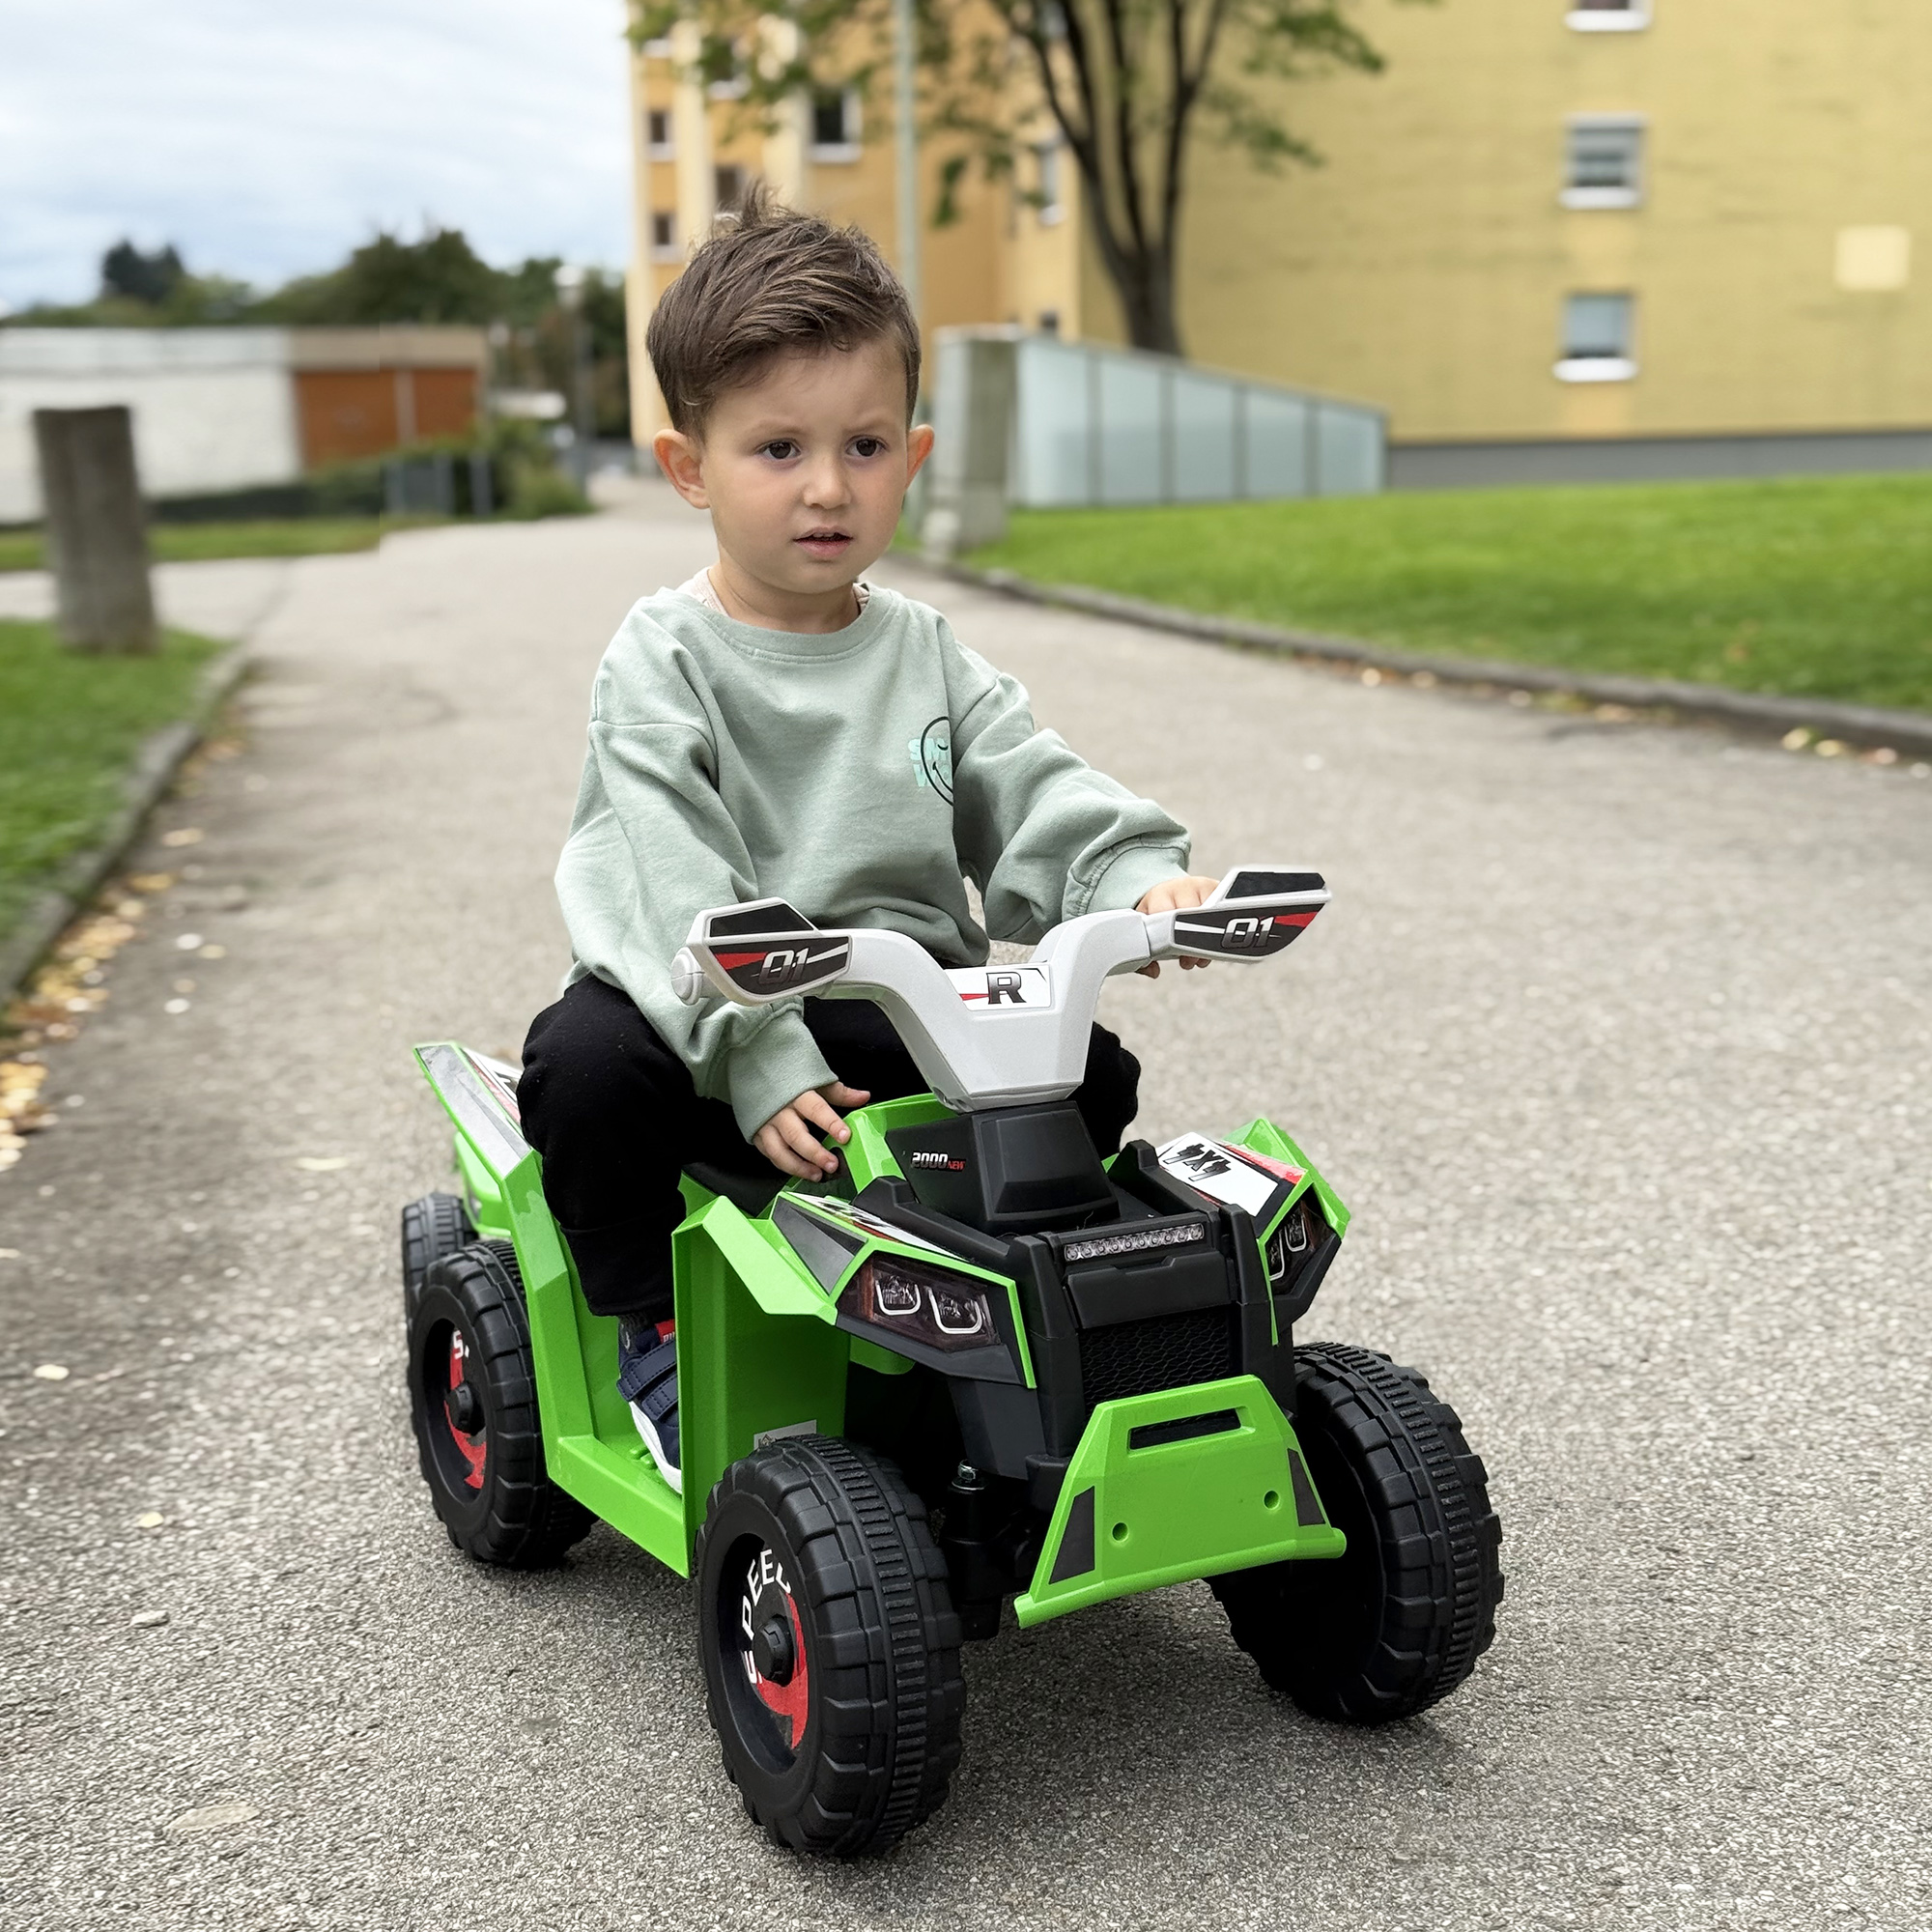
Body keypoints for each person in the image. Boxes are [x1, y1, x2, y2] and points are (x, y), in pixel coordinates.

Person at [518, 186, 1217, 1494]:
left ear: (914, 454)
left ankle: (1005, 1323)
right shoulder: (662, 658)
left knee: (1085, 1080)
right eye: (777, 449)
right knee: (584, 1070)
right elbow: (671, 871)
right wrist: (757, 1049)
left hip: (891, 1001)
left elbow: (1032, 783)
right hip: (704, 1008)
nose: (828, 488)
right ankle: (652, 1327)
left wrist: (1134, 878)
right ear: (690, 467)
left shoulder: (925, 651)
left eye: (865, 446)